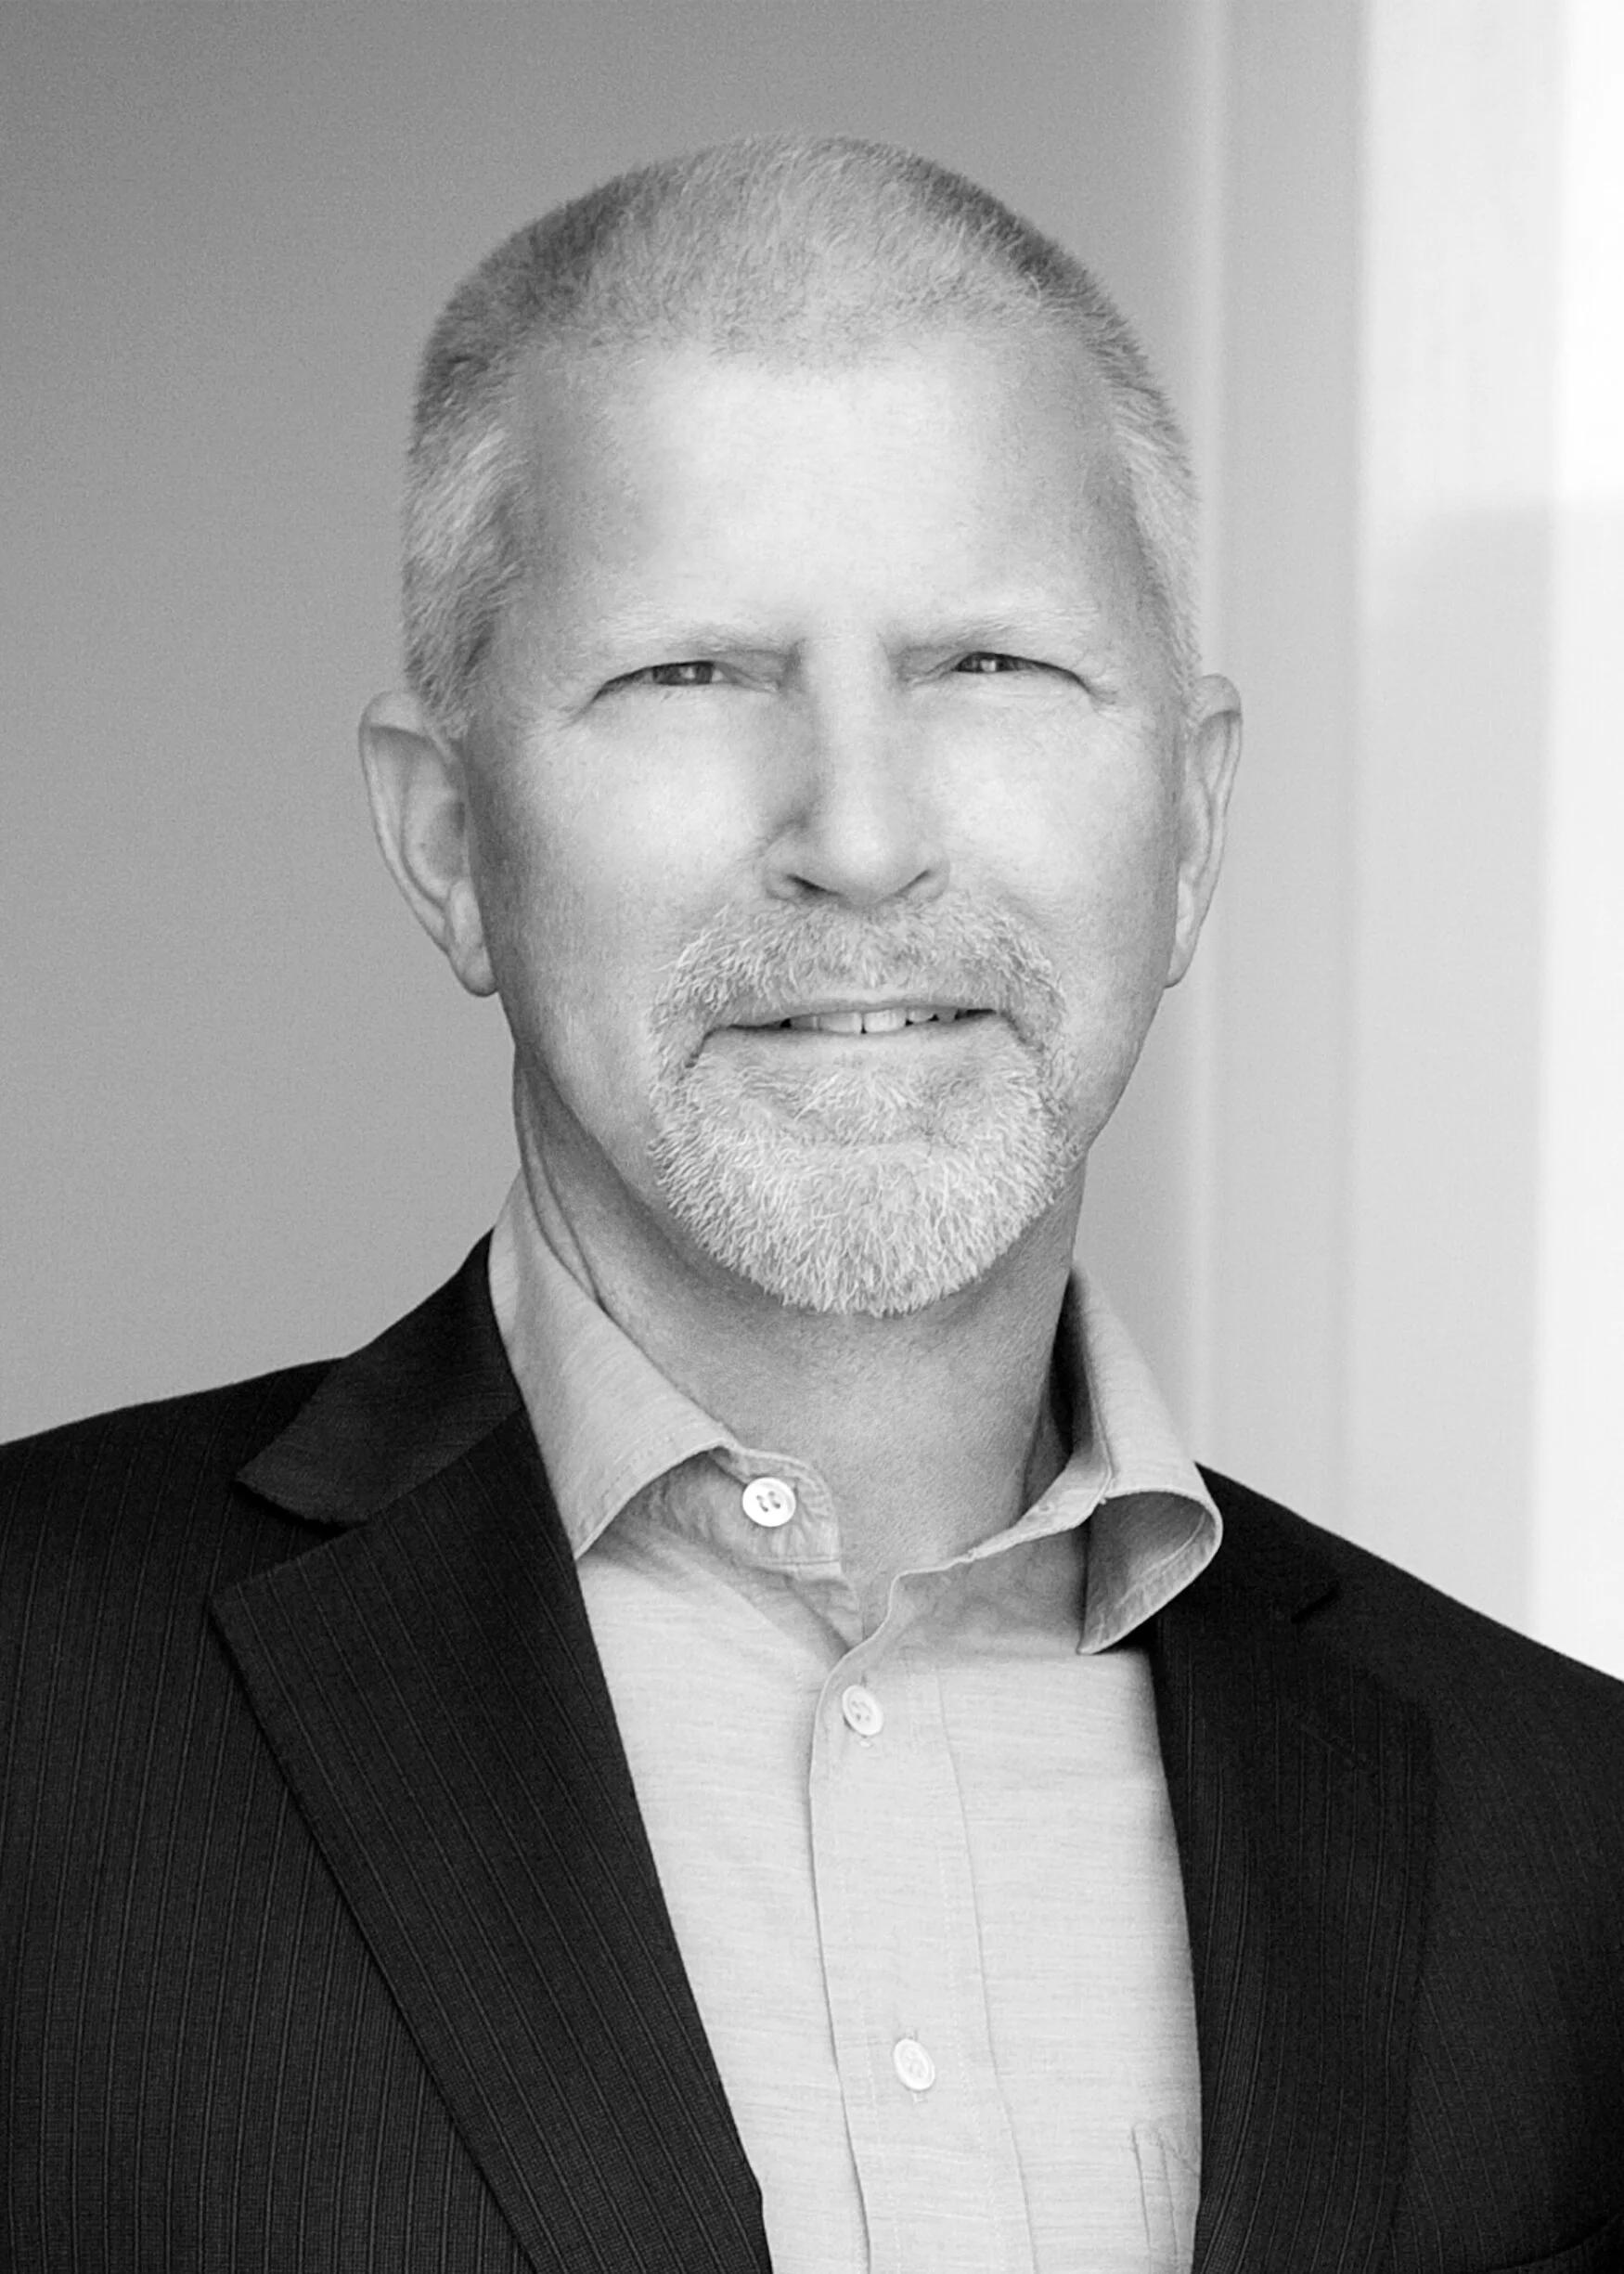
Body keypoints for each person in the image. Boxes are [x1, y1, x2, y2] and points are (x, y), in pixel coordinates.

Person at [3, 135, 1620, 2274]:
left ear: (1193, 823)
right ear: (442, 844)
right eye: (686, 674)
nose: (857, 840)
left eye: (986, 668)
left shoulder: (1566, 1843)